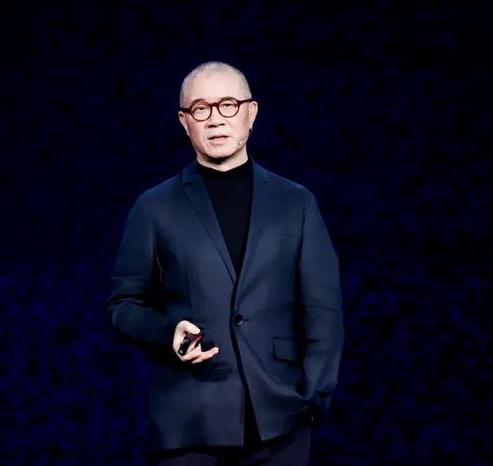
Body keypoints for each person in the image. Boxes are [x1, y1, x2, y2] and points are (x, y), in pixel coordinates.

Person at [104, 61, 344, 466]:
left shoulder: (295, 202)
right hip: (187, 421)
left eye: (228, 105)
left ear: (251, 113)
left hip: (281, 421)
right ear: (185, 122)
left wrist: (313, 398)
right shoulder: (155, 207)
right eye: (201, 108)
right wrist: (168, 332)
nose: (216, 119)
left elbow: (323, 310)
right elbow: (122, 305)